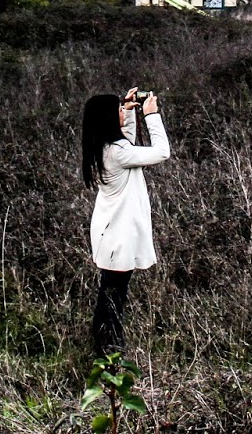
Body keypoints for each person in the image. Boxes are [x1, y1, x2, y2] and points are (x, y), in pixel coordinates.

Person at [81, 85, 170, 357]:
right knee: (113, 294)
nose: (123, 109)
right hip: (118, 233)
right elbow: (161, 152)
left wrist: (130, 114)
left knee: (111, 290)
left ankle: (106, 344)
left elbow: (126, 144)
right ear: (109, 118)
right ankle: (108, 347)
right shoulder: (117, 152)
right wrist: (151, 116)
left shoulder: (104, 147)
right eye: (119, 108)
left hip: (110, 230)